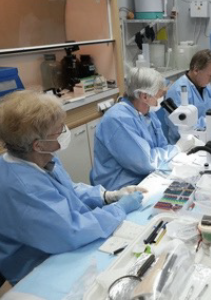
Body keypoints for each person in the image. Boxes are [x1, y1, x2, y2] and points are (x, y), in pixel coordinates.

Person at [0, 91, 145, 284]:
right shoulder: (21, 186)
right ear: (38, 145)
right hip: (39, 269)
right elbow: (71, 230)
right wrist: (119, 209)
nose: (64, 132)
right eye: (59, 130)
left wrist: (106, 196)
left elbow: (67, 190)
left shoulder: (42, 158)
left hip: (62, 245)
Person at [91, 68, 194, 191]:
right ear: (144, 96)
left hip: (147, 178)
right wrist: (177, 148)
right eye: (160, 95)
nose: (161, 100)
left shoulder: (147, 113)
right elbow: (146, 162)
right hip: (123, 189)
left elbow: (162, 146)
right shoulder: (117, 120)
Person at [158, 50, 211, 144]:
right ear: (196, 70)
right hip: (185, 143)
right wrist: (210, 120)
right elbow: (180, 126)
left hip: (207, 135)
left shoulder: (205, 84)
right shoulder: (177, 91)